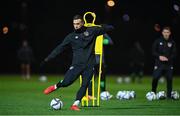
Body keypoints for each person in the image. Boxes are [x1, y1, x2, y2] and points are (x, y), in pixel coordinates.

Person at [41, 14, 114, 111]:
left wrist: (101, 26)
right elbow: (59, 48)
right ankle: (55, 86)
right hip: (76, 65)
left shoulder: (92, 31)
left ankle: (75, 104)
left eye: (78, 23)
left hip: (89, 65)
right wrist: (47, 59)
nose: (76, 26)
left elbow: (109, 28)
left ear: (82, 23)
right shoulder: (71, 37)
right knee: (67, 82)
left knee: (85, 85)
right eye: (74, 24)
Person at [151, 26, 177, 99]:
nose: (166, 34)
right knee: (155, 78)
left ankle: (169, 96)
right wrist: (159, 56)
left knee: (169, 79)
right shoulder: (157, 41)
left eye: (167, 32)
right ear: (162, 33)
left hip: (168, 65)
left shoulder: (172, 42)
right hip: (159, 64)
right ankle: (153, 93)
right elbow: (153, 51)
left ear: (170, 33)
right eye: (165, 32)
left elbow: (174, 53)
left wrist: (168, 58)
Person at [88, 33, 113, 99]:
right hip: (92, 60)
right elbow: (110, 41)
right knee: (92, 77)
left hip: (100, 61)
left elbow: (110, 42)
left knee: (102, 77)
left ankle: (103, 92)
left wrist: (103, 36)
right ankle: (90, 94)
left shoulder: (100, 37)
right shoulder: (89, 37)